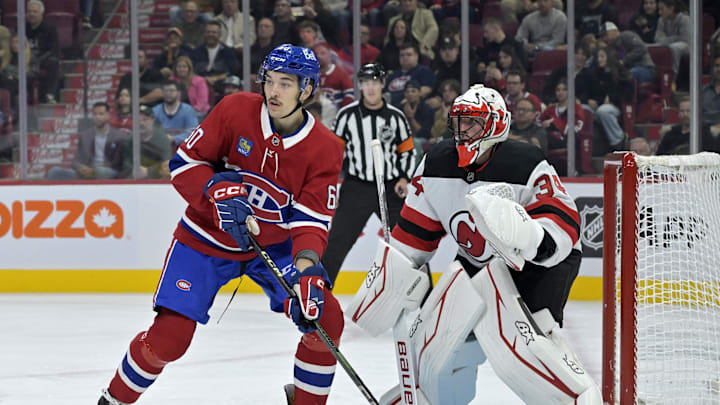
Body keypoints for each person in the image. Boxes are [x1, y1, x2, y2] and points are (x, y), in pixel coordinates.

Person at [97, 44, 345, 405]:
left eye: (286, 84)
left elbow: (311, 221)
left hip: (273, 248)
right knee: (169, 339)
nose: (274, 92)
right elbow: (184, 165)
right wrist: (214, 188)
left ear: (307, 89)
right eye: (270, 81)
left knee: (325, 318)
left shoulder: (326, 147)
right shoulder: (235, 110)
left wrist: (307, 271)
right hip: (205, 238)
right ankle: (113, 400)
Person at [347, 83, 601, 404]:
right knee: (434, 344)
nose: (463, 130)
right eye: (459, 121)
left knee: (523, 352)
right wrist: (391, 278)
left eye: (473, 122)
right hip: (475, 261)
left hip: (534, 267)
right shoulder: (436, 164)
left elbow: (564, 222)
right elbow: (414, 236)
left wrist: (529, 235)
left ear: (495, 125)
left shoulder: (525, 163)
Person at [321, 62, 416, 285]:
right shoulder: (346, 116)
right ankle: (320, 294)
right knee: (337, 242)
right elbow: (335, 153)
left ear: (382, 84)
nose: (370, 88)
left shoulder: (396, 117)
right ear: (360, 86)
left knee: (409, 241)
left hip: (392, 188)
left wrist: (404, 178)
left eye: (375, 82)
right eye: (365, 83)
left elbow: (407, 151)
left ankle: (424, 298)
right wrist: (330, 179)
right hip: (357, 187)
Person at [47, 102, 127, 180]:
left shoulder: (118, 136)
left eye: (101, 114)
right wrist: (81, 168)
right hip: (86, 173)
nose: (97, 117)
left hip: (107, 172)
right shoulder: (85, 135)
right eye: (95, 114)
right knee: (55, 172)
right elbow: (75, 161)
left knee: (100, 171)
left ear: (108, 115)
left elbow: (118, 163)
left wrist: (94, 170)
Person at [117, 104, 173, 179]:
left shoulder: (162, 139)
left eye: (145, 119)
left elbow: (167, 165)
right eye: (138, 120)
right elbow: (126, 164)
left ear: (152, 120)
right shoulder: (130, 140)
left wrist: (149, 171)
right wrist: (134, 170)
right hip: (134, 180)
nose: (141, 123)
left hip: (157, 180)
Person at [25, 0, 59, 104]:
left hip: (43, 59)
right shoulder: (22, 27)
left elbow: (54, 49)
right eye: (29, 11)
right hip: (25, 58)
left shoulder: (50, 29)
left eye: (35, 12)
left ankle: (50, 95)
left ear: (41, 13)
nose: (31, 14)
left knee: (54, 62)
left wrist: (38, 59)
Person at [152, 79, 200, 146]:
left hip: (183, 147)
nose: (168, 93)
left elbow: (193, 132)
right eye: (166, 91)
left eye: (171, 91)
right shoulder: (155, 110)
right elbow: (152, 132)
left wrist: (174, 139)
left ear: (178, 93)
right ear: (162, 93)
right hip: (160, 147)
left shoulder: (188, 110)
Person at [654, 0, 689, 77]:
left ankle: (672, 78)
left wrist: (666, 39)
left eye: (662, 9)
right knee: (651, 47)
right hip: (669, 44)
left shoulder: (684, 19)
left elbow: (684, 39)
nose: (659, 12)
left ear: (671, 8)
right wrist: (673, 38)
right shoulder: (661, 20)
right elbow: (657, 38)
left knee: (674, 48)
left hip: (687, 46)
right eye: (658, 9)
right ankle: (655, 76)